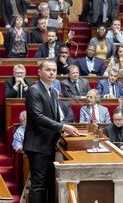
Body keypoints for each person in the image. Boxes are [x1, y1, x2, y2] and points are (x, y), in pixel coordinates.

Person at [24, 60, 79, 203]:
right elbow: (37, 117)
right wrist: (61, 127)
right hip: (37, 145)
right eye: (48, 70)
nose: (52, 73)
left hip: (49, 143)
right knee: (38, 185)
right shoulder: (34, 90)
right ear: (39, 72)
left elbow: (55, 116)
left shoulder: (53, 91)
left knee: (49, 183)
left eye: (54, 70)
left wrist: (62, 128)